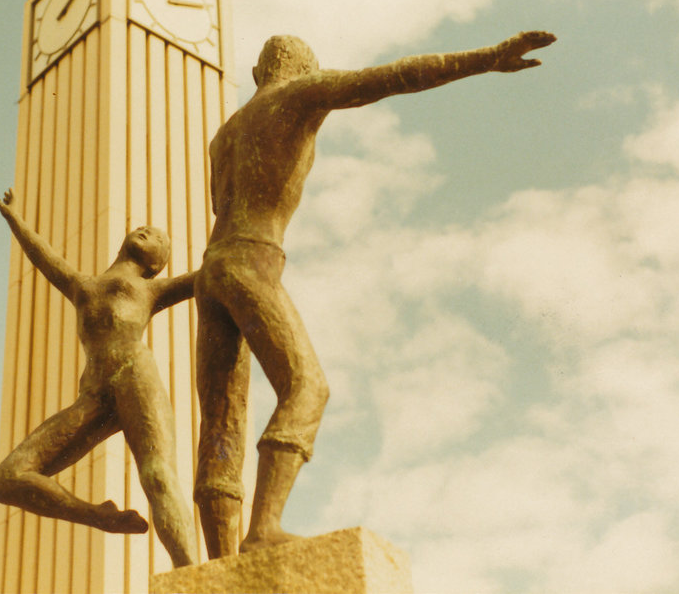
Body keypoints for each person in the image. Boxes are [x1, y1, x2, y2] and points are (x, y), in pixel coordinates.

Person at [193, 31, 557, 556]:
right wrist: (483, 59)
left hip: (212, 270)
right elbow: (391, 79)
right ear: (305, 69)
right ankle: (263, 527)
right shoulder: (299, 95)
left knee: (222, 419)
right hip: (252, 258)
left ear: (256, 74)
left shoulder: (223, 135)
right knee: (306, 388)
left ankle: (219, 562)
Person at [0, 189, 198, 568]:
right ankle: (98, 515)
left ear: (155, 266)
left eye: (158, 239)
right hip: (95, 394)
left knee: (159, 478)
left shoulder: (150, 289)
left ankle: (192, 575)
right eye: (144, 228)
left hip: (136, 375)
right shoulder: (83, 285)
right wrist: (13, 219)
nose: (148, 231)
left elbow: (209, 275)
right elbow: (45, 257)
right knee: (6, 479)